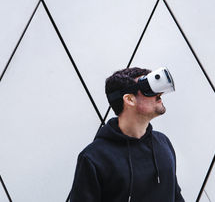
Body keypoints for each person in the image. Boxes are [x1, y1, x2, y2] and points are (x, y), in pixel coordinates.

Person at [70, 67, 184, 202]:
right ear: (129, 99)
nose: (159, 93)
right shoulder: (93, 158)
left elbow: (175, 195)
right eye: (148, 87)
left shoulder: (163, 142)